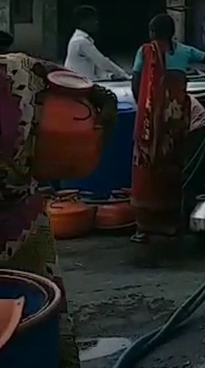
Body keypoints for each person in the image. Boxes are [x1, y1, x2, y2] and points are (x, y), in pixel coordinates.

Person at [1, 52, 118, 367]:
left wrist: (99, 96)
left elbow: (43, 70)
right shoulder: (16, 74)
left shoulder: (15, 73)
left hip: (22, 235)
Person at [129, 13, 205, 242]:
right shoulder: (184, 51)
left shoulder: (145, 52)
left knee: (146, 168)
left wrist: (145, 110)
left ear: (152, 32)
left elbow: (136, 83)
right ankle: (171, 224)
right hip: (177, 117)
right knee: (174, 167)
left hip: (152, 119)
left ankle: (145, 227)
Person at [64, 5, 130, 81]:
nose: (96, 23)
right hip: (80, 83)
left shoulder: (80, 39)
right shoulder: (81, 42)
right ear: (83, 22)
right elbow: (103, 62)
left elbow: (96, 67)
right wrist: (123, 74)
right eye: (93, 20)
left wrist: (110, 75)